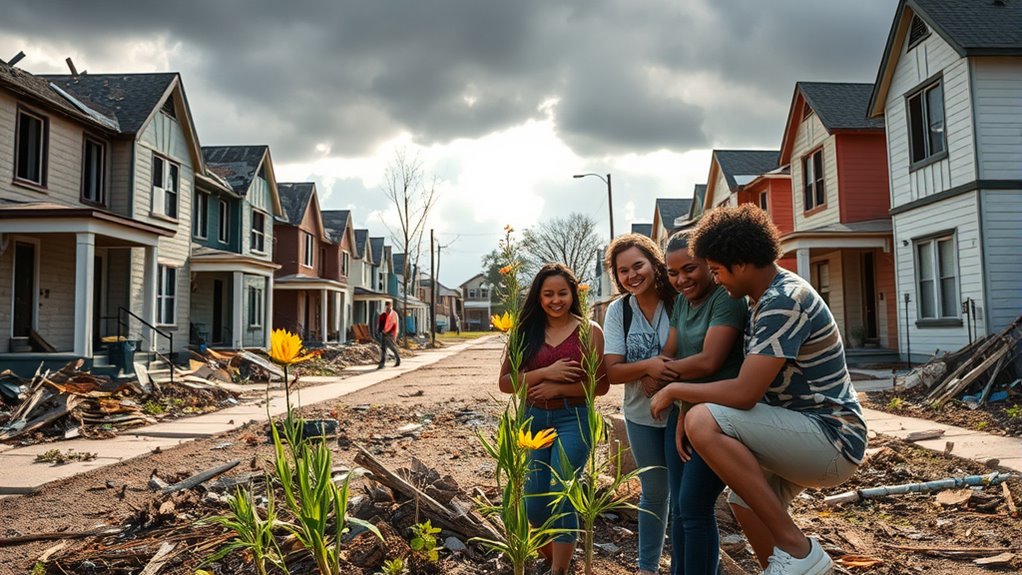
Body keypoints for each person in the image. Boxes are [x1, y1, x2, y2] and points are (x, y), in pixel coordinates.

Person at [650, 205, 866, 575]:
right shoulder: (763, 300)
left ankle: (798, 548)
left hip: (832, 438)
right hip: (801, 431)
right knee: (743, 503)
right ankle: (787, 566)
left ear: (740, 263)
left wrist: (675, 393)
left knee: (702, 420)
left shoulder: (784, 301)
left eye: (716, 270)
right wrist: (687, 402)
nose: (716, 279)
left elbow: (745, 393)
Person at [498, 263, 608, 575]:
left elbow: (601, 385)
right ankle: (552, 557)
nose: (556, 300)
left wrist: (560, 387)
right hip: (533, 418)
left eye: (562, 293)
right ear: (538, 296)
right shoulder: (525, 331)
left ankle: (560, 569)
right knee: (534, 505)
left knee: (563, 493)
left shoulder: (589, 330)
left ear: (573, 294)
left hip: (574, 417)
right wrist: (546, 372)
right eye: (548, 294)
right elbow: (505, 383)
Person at [649, 232, 747, 574]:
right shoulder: (681, 303)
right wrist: (664, 373)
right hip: (685, 410)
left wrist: (662, 376)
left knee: (694, 507)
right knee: (679, 509)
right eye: (673, 273)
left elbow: (709, 361)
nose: (681, 280)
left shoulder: (725, 299)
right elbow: (671, 352)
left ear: (708, 263)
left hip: (718, 415)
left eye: (689, 269)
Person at [601, 234, 678, 575]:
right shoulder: (619, 311)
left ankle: (693, 563)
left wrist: (658, 376)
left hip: (683, 413)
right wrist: (649, 367)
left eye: (638, 265)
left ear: (654, 263)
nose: (632, 275)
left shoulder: (677, 301)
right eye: (623, 271)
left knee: (687, 495)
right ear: (616, 276)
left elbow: (698, 354)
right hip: (639, 415)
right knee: (654, 492)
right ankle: (647, 567)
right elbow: (613, 371)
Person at [377, 301, 401, 369]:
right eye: (386, 306)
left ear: (391, 306)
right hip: (384, 333)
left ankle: (398, 359)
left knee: (392, 347)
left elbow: (394, 324)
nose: (387, 308)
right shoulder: (384, 314)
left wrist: (390, 332)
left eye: (388, 306)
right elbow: (381, 323)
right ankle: (382, 363)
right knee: (383, 348)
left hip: (390, 333)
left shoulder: (394, 314)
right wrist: (381, 330)